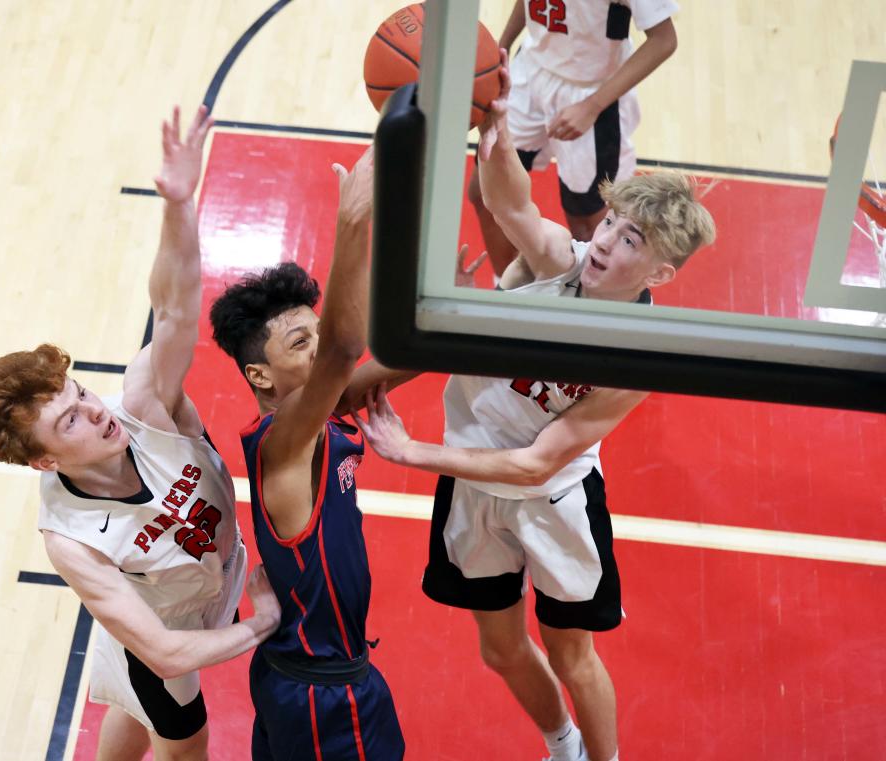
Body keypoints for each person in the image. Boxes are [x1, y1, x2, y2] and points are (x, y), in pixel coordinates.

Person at [351, 58, 715, 761]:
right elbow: (512, 203)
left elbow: (537, 461)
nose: (606, 241)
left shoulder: (638, 358)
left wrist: (414, 452)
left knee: (572, 653)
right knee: (498, 647)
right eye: (611, 223)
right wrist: (496, 121)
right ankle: (563, 744)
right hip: (473, 486)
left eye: (630, 241)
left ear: (661, 273)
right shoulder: (565, 264)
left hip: (551, 497)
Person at [0, 105, 281, 761]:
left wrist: (178, 204)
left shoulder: (142, 404)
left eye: (78, 391)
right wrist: (265, 623)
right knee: (181, 747)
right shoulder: (71, 540)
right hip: (162, 638)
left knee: (131, 723)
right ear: (46, 460)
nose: (95, 409)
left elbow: (174, 306)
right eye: (70, 418)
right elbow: (164, 651)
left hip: (209, 583)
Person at [209, 145, 405, 761]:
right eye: (301, 344)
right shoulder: (283, 444)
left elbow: (374, 365)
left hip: (306, 681)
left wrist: (444, 320)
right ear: (261, 376)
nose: (319, 349)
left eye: (315, 334)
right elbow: (347, 347)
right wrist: (353, 222)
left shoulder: (319, 416)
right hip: (325, 704)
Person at [470, 0, 679, 281]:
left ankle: (580, 312)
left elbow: (664, 41)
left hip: (592, 91)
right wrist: (502, 49)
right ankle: (507, 289)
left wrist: (592, 106)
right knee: (484, 193)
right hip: (529, 71)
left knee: (587, 229)